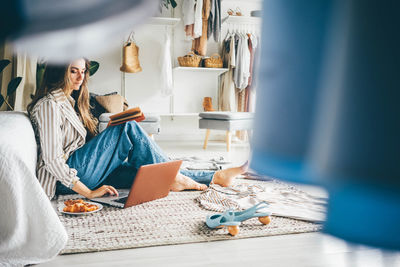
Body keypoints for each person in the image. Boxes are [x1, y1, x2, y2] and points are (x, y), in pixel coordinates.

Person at [27, 58, 248, 200]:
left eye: (83, 71)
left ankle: (216, 176)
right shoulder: (49, 105)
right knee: (127, 126)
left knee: (144, 174)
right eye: (73, 71)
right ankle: (177, 178)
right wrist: (89, 192)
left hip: (83, 171)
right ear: (59, 72)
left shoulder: (68, 102)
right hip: (67, 181)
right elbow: (52, 160)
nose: (80, 77)